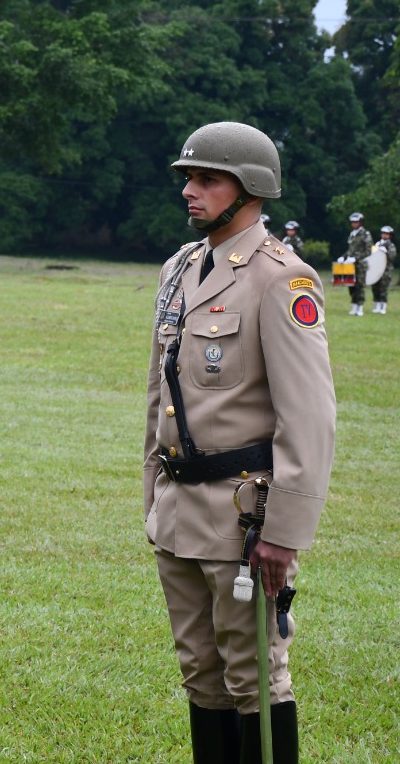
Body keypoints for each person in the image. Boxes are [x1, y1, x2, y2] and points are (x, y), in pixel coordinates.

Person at [144, 122, 337, 764]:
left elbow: (308, 416)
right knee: (200, 672)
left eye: (207, 180)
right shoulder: (180, 268)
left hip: (242, 519)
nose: (190, 192)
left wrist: (285, 532)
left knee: (255, 678)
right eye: (188, 179)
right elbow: (160, 395)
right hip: (178, 512)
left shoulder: (281, 279)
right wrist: (152, 497)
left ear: (250, 190)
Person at [343, 213, 372, 317]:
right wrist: (344, 257)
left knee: (360, 285)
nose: (354, 224)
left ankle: (360, 307)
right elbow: (350, 250)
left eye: (356, 222)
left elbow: (368, 251)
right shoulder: (352, 234)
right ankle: (353, 306)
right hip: (350, 264)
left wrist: (356, 258)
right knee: (351, 285)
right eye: (353, 222)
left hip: (360, 264)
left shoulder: (365, 234)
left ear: (360, 222)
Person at [370, 226, 397, 314]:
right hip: (377, 268)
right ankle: (376, 305)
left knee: (383, 288)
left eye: (386, 234)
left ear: (390, 235)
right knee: (375, 287)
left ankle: (383, 306)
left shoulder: (391, 245)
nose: (384, 235)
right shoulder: (378, 244)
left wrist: (386, 252)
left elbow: (392, 256)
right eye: (383, 233)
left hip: (386, 270)